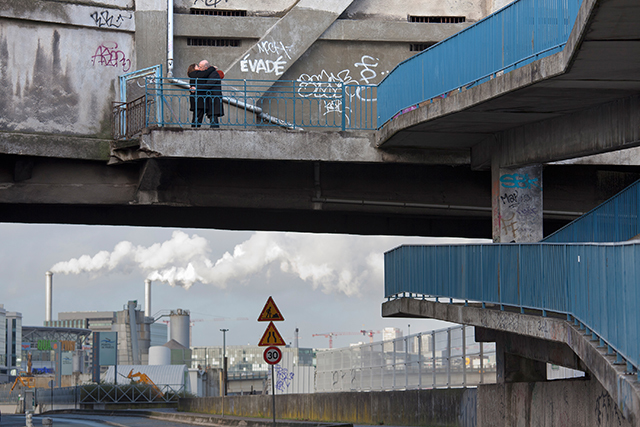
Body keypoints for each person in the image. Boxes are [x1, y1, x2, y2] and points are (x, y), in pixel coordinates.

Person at [188, 60, 224, 128]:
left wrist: (196, 88)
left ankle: (214, 133)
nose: (199, 69)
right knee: (209, 117)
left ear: (206, 67)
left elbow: (208, 84)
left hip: (213, 98)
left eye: (201, 67)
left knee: (213, 118)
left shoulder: (213, 74)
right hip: (206, 99)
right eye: (198, 67)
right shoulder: (198, 74)